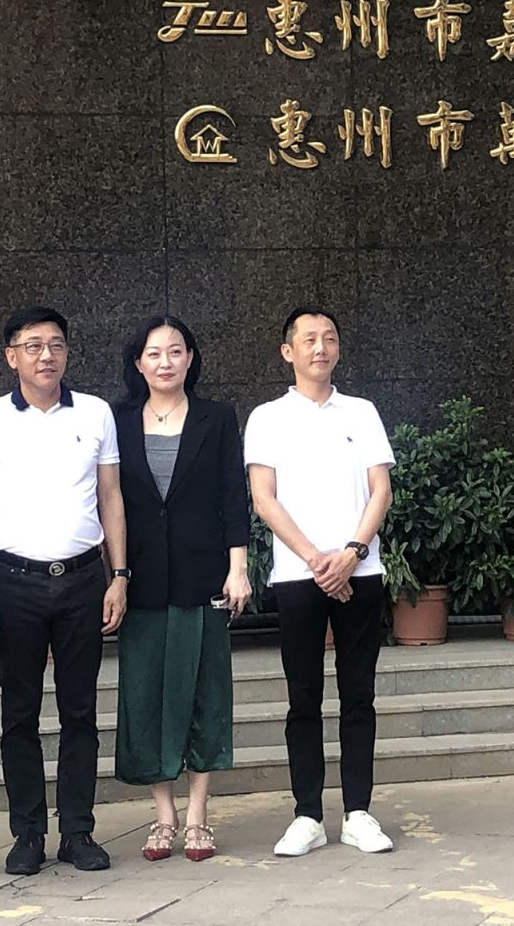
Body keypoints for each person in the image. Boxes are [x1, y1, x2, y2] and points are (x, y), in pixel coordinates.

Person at [0, 307, 129, 875]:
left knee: (81, 711)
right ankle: (28, 833)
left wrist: (119, 575)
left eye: (56, 344)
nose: (46, 356)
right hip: (15, 583)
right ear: (11, 356)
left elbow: (110, 496)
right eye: (32, 346)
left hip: (83, 579)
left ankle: (78, 831)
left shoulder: (96, 413)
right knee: (19, 714)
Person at [245, 306, 396, 858]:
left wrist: (351, 554)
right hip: (297, 576)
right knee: (302, 698)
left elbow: (381, 490)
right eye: (308, 339)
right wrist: (317, 561)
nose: (320, 348)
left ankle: (358, 812)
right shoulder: (267, 418)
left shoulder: (362, 411)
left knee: (359, 695)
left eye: (329, 338)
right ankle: (307, 815)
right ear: (288, 351)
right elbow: (264, 499)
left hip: (361, 571)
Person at [112, 315, 250, 862]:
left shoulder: (217, 418)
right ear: (138, 363)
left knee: (203, 693)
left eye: (176, 351)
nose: (165, 361)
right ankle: (163, 815)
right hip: (141, 579)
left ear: (191, 358)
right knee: (145, 695)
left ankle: (197, 817)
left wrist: (238, 568)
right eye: (154, 353)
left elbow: (232, 496)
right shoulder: (117, 420)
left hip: (203, 576)